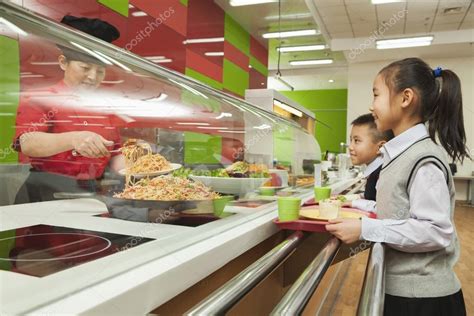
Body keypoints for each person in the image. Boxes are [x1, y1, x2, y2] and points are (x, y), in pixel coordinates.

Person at [326, 57, 469, 315]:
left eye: (376, 95)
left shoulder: (423, 158)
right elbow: (396, 209)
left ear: (405, 98)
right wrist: (353, 204)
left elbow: (435, 230)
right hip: (405, 294)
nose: (371, 106)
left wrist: (365, 228)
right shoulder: (400, 155)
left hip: (423, 301)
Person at [13, 15, 124, 203]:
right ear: (63, 62)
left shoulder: (104, 107)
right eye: (85, 67)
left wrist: (140, 168)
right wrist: (74, 138)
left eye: (99, 70)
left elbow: (115, 153)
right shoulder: (40, 98)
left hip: (93, 190)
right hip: (47, 190)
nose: (92, 77)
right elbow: (28, 143)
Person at [338, 113, 393, 209]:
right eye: (351, 140)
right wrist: (346, 198)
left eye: (357, 141)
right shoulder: (374, 172)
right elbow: (372, 196)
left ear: (380, 147)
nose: (350, 147)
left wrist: (354, 203)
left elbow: (384, 209)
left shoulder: (383, 174)